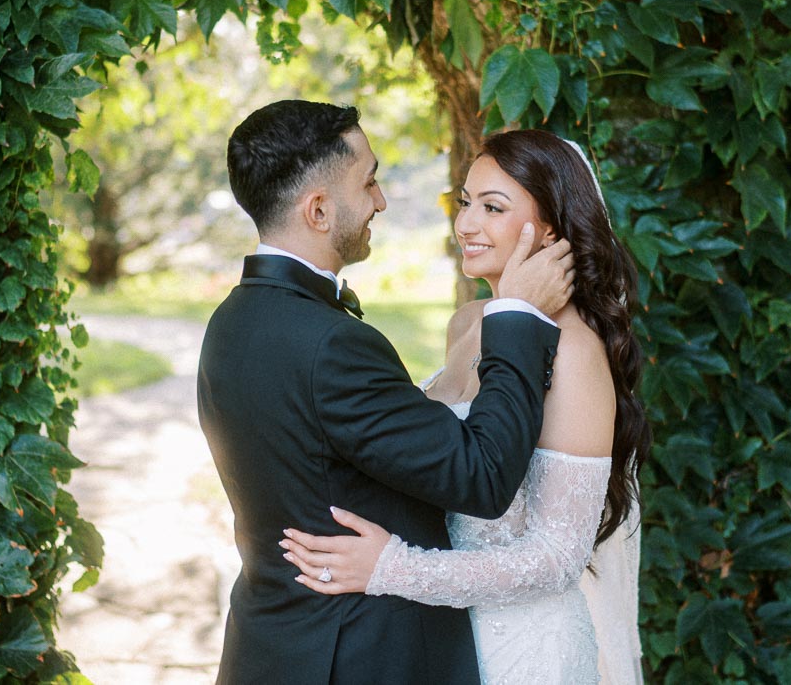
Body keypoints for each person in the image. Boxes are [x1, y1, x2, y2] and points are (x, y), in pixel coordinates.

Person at [197, 101, 577, 685]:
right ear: (319, 210)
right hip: (361, 655)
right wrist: (519, 316)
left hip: (268, 648)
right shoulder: (331, 345)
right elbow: (482, 476)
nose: (380, 200)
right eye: (369, 181)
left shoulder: (229, 324)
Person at [280, 129, 650, 685]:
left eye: (493, 207)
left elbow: (556, 558)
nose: (466, 224)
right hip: (442, 640)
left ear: (549, 227)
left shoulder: (573, 352)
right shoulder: (468, 323)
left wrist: (394, 569)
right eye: (466, 202)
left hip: (528, 653)